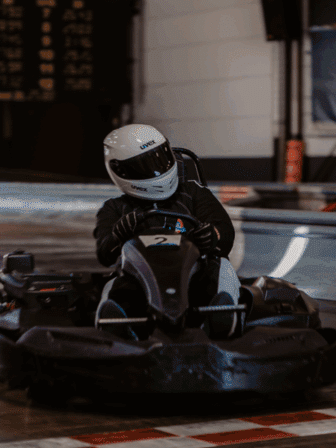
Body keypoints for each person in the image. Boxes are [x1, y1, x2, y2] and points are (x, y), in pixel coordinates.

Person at [92, 124, 241, 339]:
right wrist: (118, 235)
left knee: (221, 266)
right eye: (145, 165)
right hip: (140, 280)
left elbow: (224, 231)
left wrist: (212, 236)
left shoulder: (193, 193)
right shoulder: (114, 208)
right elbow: (104, 254)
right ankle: (117, 326)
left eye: (160, 159)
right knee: (117, 279)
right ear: (121, 171)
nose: (158, 170)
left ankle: (222, 318)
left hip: (195, 274)